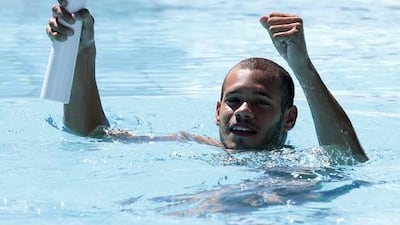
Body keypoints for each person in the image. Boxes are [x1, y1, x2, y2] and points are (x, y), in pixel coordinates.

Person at [46, 0, 368, 162]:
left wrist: (304, 69)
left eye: (261, 102)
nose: (242, 110)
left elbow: (348, 159)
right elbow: (90, 134)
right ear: (217, 111)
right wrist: (83, 52)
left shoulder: (298, 167)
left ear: (290, 118)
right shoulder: (190, 145)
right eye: (233, 100)